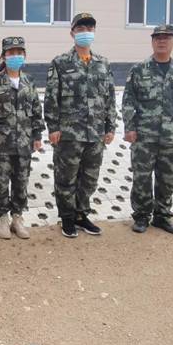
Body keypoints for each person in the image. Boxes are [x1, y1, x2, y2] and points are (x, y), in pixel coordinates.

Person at [44, 13, 117, 238]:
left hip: (95, 133)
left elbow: (109, 97)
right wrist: (53, 127)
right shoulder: (60, 63)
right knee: (66, 177)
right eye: (81, 28)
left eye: (89, 28)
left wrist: (110, 126)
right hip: (69, 133)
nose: (85, 32)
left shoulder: (103, 63)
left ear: (94, 32)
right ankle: (67, 217)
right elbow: (51, 97)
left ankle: (81, 214)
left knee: (89, 178)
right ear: (72, 33)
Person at [122, 24, 173, 234]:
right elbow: (128, 101)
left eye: (166, 37)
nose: (161, 41)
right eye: (157, 37)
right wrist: (129, 127)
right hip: (144, 136)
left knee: (168, 179)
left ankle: (162, 216)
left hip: (171, 136)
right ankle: (141, 216)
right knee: (142, 178)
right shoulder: (139, 69)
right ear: (152, 41)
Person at [0, 37, 45, 239]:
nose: (15, 56)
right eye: (11, 53)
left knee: (21, 182)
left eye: (19, 52)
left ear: (24, 56)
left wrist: (37, 134)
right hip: (1, 144)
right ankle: (3, 219)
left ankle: (17, 218)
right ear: (3, 56)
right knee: (0, 183)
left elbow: (36, 109)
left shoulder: (29, 81)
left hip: (24, 143)